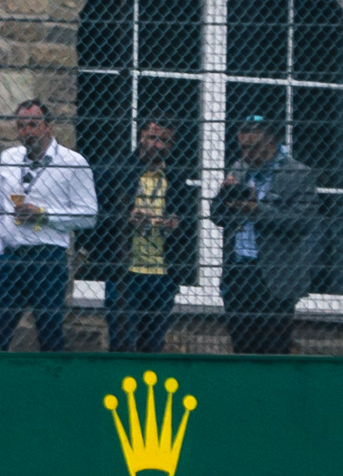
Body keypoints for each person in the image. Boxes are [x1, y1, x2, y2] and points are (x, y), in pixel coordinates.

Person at [0, 98, 95, 352]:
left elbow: (89, 215)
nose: (27, 131)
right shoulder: (8, 158)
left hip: (48, 256)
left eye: (33, 124)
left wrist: (45, 215)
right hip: (10, 259)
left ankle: (51, 386)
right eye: (21, 126)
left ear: (49, 126)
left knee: (49, 333)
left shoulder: (73, 162)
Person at [214, 115, 320, 356]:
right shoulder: (240, 168)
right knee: (241, 346)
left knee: (274, 348)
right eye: (242, 148)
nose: (246, 154)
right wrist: (223, 196)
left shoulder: (297, 174)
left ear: (270, 140)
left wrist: (257, 210)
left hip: (276, 275)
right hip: (239, 272)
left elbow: (303, 222)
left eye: (252, 147)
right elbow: (217, 217)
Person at [103, 116, 190, 365]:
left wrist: (175, 224)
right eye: (153, 137)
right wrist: (126, 217)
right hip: (125, 273)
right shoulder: (120, 171)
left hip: (162, 273)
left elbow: (187, 220)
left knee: (153, 349)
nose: (158, 145)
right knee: (121, 346)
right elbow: (99, 215)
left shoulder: (175, 177)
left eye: (165, 140)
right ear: (141, 137)